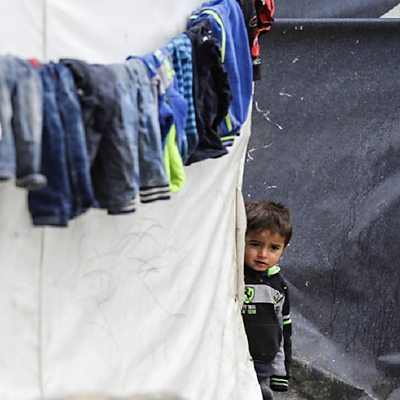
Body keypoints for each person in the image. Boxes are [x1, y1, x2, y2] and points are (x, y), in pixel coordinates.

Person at [242, 201, 293, 400]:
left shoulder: (278, 287)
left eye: (273, 247)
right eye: (255, 244)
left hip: (263, 364)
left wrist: (281, 372)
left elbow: (283, 330)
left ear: (284, 248)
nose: (263, 255)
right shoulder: (232, 276)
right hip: (230, 357)